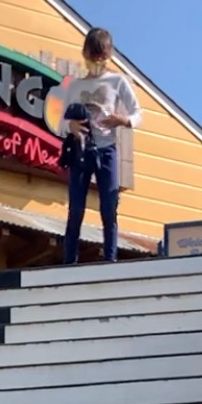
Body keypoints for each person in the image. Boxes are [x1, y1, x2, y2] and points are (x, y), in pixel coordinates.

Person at [60, 27, 141, 265]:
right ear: (84, 53)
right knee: (76, 207)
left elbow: (138, 113)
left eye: (101, 57)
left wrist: (124, 120)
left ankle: (110, 259)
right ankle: (69, 261)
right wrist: (70, 127)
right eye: (92, 56)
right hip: (80, 149)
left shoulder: (118, 81)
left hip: (107, 149)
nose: (96, 61)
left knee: (109, 205)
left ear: (108, 55)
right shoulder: (74, 86)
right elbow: (60, 120)